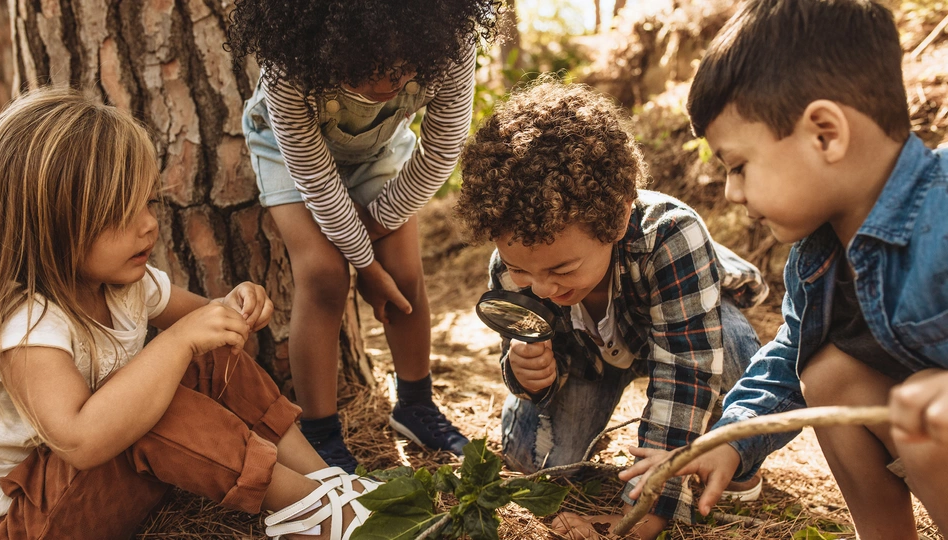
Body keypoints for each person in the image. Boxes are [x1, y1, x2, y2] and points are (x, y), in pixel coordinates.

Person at [0, 88, 379, 540]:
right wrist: (177, 341)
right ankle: (307, 513)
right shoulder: (29, 324)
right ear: (48, 227)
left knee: (203, 360)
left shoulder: (127, 286)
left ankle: (326, 482)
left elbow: (223, 346)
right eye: (120, 213)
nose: (150, 224)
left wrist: (235, 310)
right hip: (29, 520)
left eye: (149, 202)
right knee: (155, 405)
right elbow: (80, 440)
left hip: (94, 488)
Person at [621, 0, 948, 537]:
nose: (731, 192)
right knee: (826, 374)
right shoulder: (816, 261)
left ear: (825, 133)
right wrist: (728, 441)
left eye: (739, 166)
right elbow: (785, 363)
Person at [453, 79, 770, 540]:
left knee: (735, 347)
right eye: (524, 269)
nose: (541, 286)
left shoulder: (671, 236)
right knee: (534, 464)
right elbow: (519, 346)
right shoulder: (513, 264)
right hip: (589, 360)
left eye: (562, 267)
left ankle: (735, 458)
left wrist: (644, 513)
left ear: (618, 217)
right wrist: (527, 374)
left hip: (678, 331)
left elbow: (685, 371)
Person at [225, 0, 501, 472]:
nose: (383, 87)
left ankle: (416, 406)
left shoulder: (449, 42)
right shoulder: (288, 68)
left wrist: (376, 226)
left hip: (381, 149)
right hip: (288, 152)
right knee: (324, 274)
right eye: (360, 73)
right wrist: (364, 266)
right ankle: (321, 433)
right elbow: (315, 179)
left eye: (398, 71)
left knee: (406, 272)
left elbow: (440, 151)